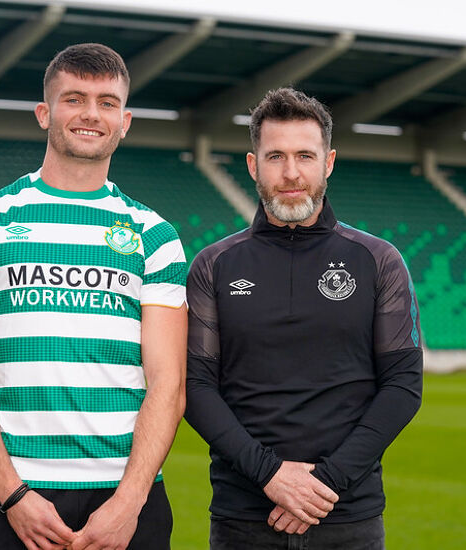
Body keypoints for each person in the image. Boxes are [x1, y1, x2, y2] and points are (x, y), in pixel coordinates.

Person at [0, 43, 187, 550]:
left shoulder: (156, 236)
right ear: (44, 113)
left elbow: (169, 382)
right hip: (16, 499)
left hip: (128, 500)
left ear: (126, 120)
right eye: (74, 99)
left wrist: (128, 501)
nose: (91, 114)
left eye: (107, 102)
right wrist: (13, 496)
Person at [184, 87, 423, 549]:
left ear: (328, 162)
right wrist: (271, 476)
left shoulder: (378, 260)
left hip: (347, 517)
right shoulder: (214, 265)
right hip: (244, 519)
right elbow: (195, 387)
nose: (291, 173)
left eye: (304, 156)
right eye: (275, 156)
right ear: (253, 165)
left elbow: (403, 385)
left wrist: (324, 485)